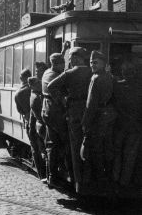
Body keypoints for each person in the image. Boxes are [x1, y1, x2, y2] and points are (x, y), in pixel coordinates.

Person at [48, 47, 91, 192]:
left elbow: (51, 86)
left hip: (75, 112)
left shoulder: (69, 73)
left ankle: (78, 183)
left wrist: (62, 99)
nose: (70, 61)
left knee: (75, 147)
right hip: (92, 113)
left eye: (71, 58)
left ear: (76, 58)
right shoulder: (94, 72)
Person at [81, 50, 117, 190]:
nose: (92, 65)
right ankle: (109, 177)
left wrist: (85, 122)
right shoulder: (110, 76)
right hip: (110, 115)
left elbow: (90, 104)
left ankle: (99, 181)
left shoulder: (95, 78)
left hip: (99, 116)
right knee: (108, 145)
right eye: (91, 63)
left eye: (95, 63)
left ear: (103, 63)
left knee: (96, 148)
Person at [112, 59, 142, 188]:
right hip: (135, 126)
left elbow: (113, 105)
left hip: (119, 125)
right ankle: (125, 181)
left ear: (123, 73)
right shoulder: (140, 87)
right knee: (130, 156)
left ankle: (115, 179)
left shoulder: (117, 86)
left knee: (117, 153)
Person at [42, 53, 68, 188]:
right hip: (55, 113)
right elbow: (60, 98)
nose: (64, 65)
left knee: (51, 144)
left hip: (47, 111)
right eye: (62, 62)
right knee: (56, 144)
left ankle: (50, 175)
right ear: (57, 64)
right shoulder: (54, 77)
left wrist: (63, 50)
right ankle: (53, 176)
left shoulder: (47, 72)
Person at [28, 77, 46, 179]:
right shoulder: (36, 97)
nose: (40, 85)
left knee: (38, 149)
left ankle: (42, 174)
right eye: (37, 84)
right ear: (32, 85)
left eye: (40, 83)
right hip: (38, 126)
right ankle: (43, 175)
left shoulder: (35, 94)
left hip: (35, 126)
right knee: (40, 150)